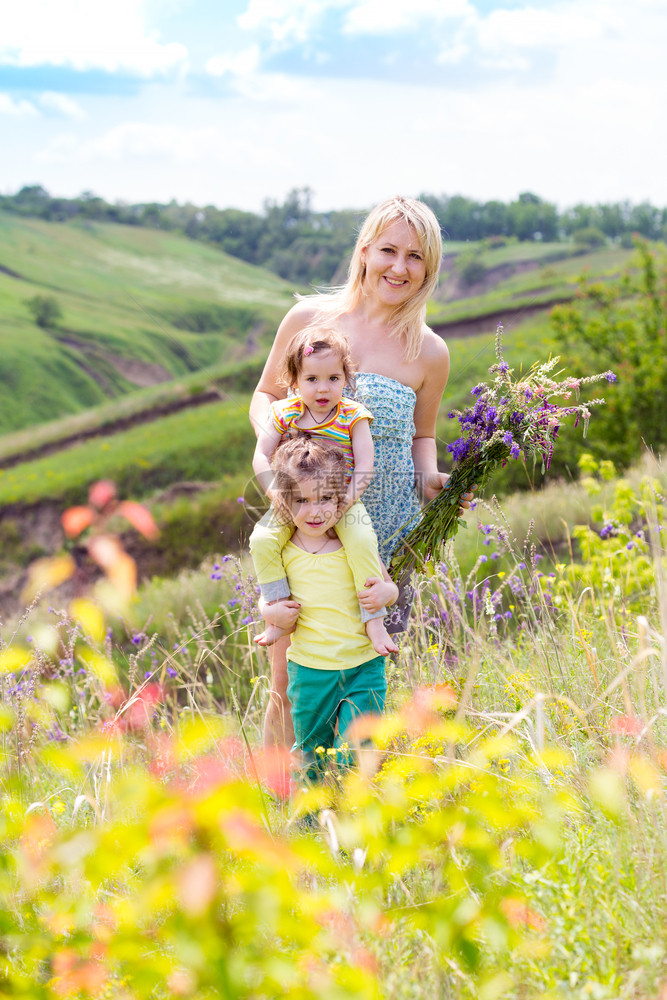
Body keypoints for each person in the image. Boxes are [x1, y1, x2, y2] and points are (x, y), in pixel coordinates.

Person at [250, 195, 471, 748]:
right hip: (308, 526)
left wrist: (433, 479)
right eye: (389, 250)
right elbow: (265, 396)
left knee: (361, 685)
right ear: (365, 251)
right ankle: (281, 805)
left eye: (415, 257)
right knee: (290, 679)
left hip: (383, 537)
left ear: (429, 268)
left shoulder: (430, 351)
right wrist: (274, 448)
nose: (399, 267)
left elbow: (423, 435)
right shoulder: (308, 321)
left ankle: (351, 807)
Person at [249, 326, 398, 657]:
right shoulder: (284, 412)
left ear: (346, 377)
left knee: (360, 541)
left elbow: (365, 464)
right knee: (262, 540)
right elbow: (260, 455)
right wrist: (274, 491)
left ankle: (374, 618)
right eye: (312, 379)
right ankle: (277, 607)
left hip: (340, 499)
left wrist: (348, 500)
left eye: (333, 378)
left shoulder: (352, 415)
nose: (323, 388)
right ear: (295, 381)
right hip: (296, 501)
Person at [258, 436, 398, 781]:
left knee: (358, 751)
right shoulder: (285, 548)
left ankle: (357, 821)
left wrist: (387, 594)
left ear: (341, 498)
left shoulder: (353, 544)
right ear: (283, 502)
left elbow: (388, 586)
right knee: (310, 755)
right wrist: (269, 614)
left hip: (363, 666)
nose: (315, 511)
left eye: (325, 499)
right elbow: (269, 598)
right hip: (310, 671)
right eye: (302, 501)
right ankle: (310, 824)